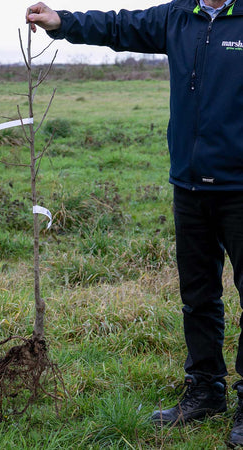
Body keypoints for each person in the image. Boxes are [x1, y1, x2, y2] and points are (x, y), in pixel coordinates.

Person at [26, 0, 243, 446]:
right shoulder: (177, 16)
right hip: (189, 185)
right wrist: (62, 22)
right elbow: (120, 26)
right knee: (198, 296)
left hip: (241, 187)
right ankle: (205, 391)